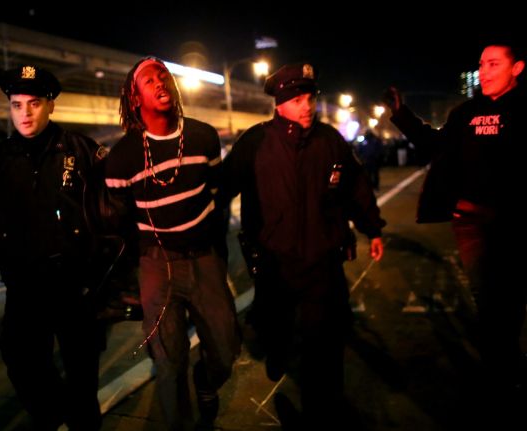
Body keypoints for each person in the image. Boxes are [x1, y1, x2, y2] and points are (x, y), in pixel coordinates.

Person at [0, 64, 108, 431]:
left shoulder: (82, 151)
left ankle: (81, 420)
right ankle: (53, 414)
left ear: (50, 105)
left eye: (33, 103)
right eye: (17, 105)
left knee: (82, 376)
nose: (25, 113)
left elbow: (115, 207)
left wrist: (110, 271)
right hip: (24, 286)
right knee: (21, 363)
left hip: (76, 286)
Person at [223, 62, 385, 428]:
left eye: (310, 97)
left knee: (322, 344)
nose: (307, 105)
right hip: (272, 261)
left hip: (321, 260)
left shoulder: (330, 141)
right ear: (279, 104)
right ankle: (277, 350)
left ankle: (319, 412)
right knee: (274, 327)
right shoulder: (256, 141)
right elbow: (222, 185)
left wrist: (372, 228)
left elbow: (356, 186)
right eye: (297, 98)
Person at [383, 40, 526, 415]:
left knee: (510, 297)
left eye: (495, 63)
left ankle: (506, 362)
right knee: (487, 297)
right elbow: (434, 143)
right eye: (482, 64)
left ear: (517, 69)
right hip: (471, 222)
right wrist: (402, 116)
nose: (485, 71)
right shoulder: (466, 113)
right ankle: (502, 371)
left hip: (515, 222)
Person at [104, 56, 240, 430]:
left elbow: (215, 194)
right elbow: (119, 221)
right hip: (156, 265)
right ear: (135, 99)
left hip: (205, 259)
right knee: (167, 362)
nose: (160, 82)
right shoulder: (121, 159)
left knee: (227, 350)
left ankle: (207, 381)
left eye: (163, 75)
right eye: (149, 80)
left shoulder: (203, 137)